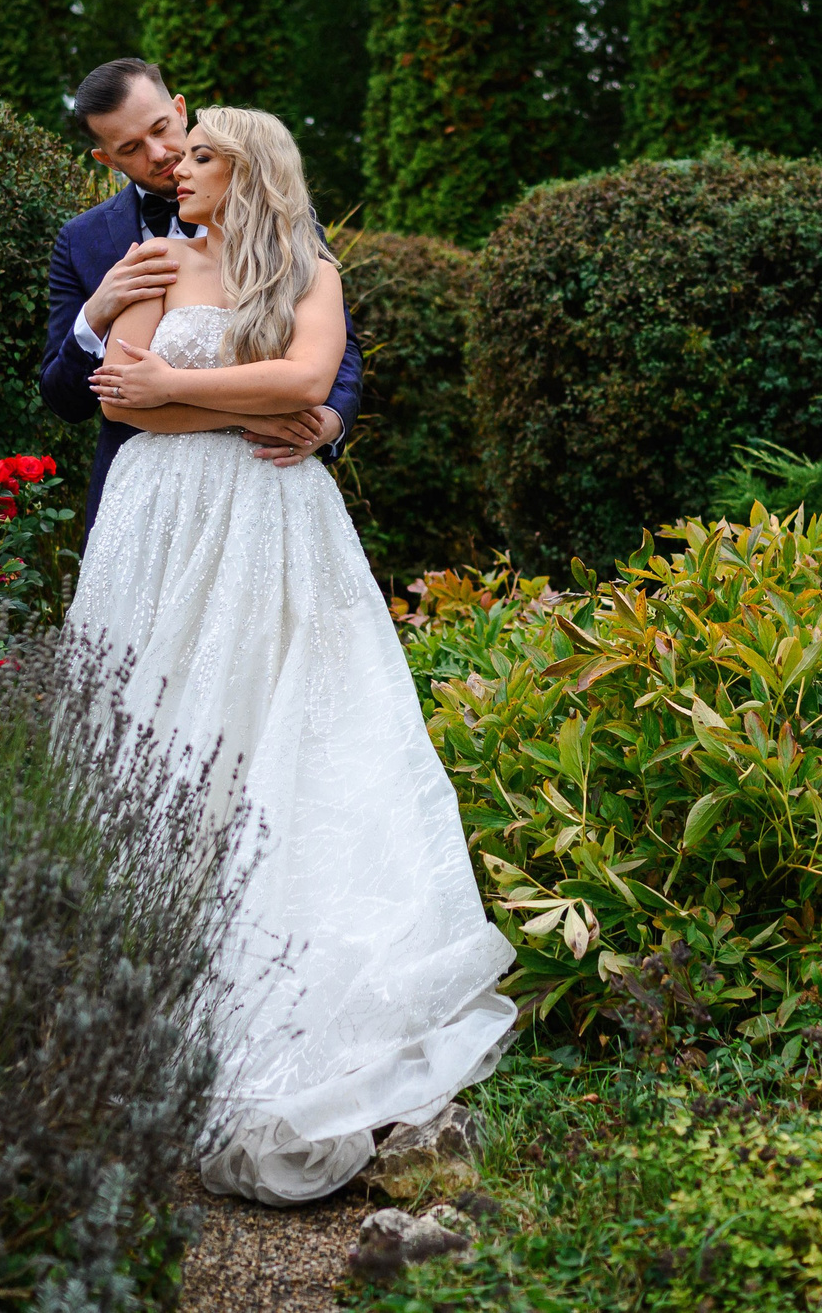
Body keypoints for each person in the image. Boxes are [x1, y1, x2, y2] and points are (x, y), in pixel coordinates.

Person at [62, 102, 516, 1207]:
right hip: (154, 527)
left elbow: (309, 385)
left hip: (275, 522)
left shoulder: (311, 269)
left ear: (251, 169)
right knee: (159, 737)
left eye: (201, 154)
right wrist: (197, 397)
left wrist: (185, 392)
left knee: (293, 735)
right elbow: (118, 393)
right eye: (172, 154)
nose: (177, 167)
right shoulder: (152, 259)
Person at [37, 59, 362, 533]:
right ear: (106, 159)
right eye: (130, 147)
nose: (161, 154)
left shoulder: (292, 240)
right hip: (147, 498)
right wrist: (95, 313)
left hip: (267, 479)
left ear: (180, 108)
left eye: (161, 128)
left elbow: (336, 350)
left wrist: (328, 422)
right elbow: (73, 399)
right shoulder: (84, 242)